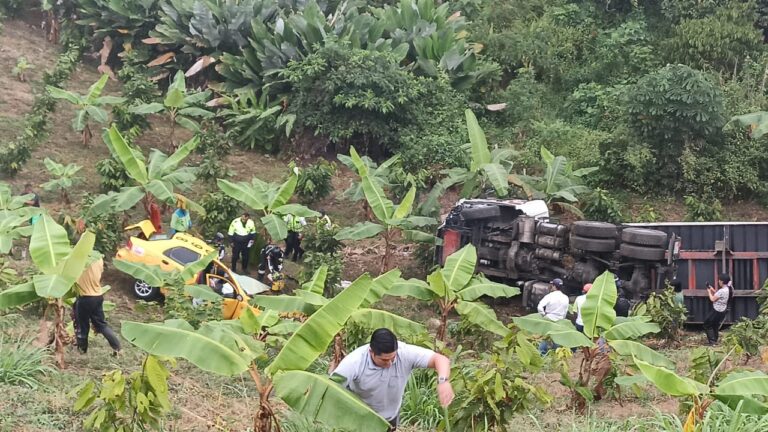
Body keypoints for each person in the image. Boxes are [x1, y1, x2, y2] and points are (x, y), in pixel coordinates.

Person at [330, 328, 454, 431]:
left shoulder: (404, 352)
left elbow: (441, 360)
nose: (390, 363)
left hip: (390, 419)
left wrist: (443, 381)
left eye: (392, 358)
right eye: (384, 360)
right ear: (371, 352)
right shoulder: (354, 362)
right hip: (359, 420)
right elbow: (330, 388)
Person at [73, 255, 121, 355]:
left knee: (82, 326)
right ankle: (117, 346)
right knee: (102, 325)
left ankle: (82, 351)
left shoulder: (80, 258)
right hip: (98, 296)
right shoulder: (98, 258)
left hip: (85, 297)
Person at [537, 278, 570, 355]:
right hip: (560, 320)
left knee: (545, 337)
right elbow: (565, 310)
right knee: (557, 338)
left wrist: (543, 315)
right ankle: (555, 354)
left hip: (549, 318)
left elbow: (540, 307)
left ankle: (542, 354)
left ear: (554, 286)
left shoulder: (550, 296)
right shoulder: (565, 297)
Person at [703, 273, 732, 346]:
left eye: (719, 280)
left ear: (722, 281)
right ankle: (714, 340)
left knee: (707, 324)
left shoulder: (722, 291)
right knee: (715, 325)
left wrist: (709, 292)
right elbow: (718, 295)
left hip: (716, 310)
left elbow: (713, 299)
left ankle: (712, 342)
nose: (718, 281)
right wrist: (712, 289)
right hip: (722, 310)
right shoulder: (728, 289)